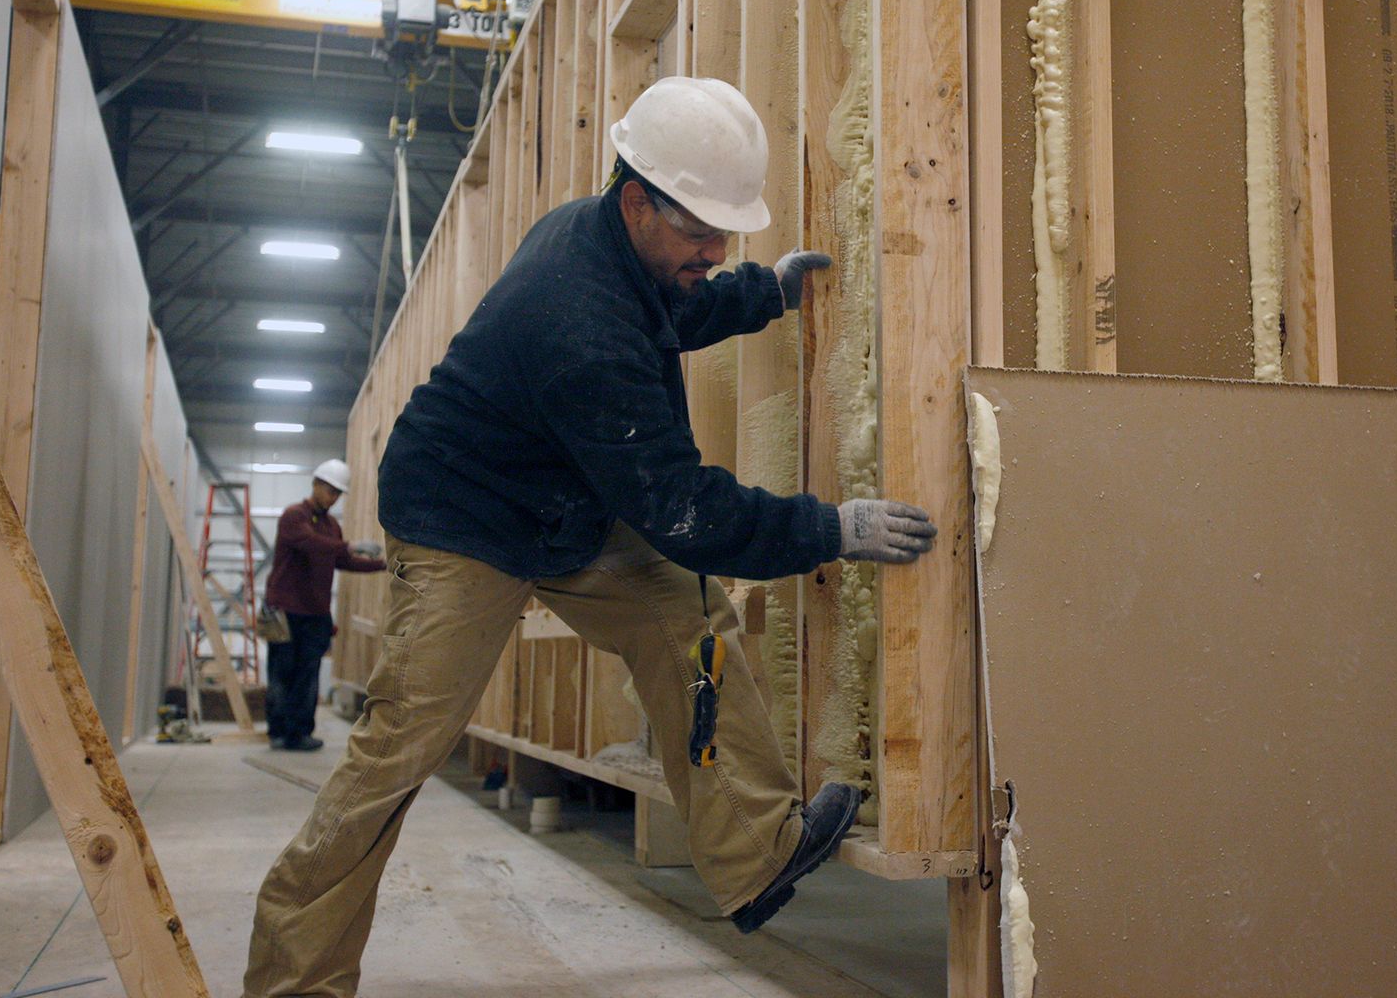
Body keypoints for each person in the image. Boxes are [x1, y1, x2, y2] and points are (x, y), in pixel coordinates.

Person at [243, 76, 937, 998]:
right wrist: (829, 528)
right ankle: (293, 984)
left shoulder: (616, 243)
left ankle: (755, 851)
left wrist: (754, 294)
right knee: (399, 749)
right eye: (700, 233)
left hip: (564, 498)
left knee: (686, 623)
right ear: (639, 198)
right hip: (465, 519)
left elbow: (670, 308)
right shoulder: (577, 320)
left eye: (724, 234)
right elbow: (685, 512)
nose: (715, 249)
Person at [261, 459, 386, 752]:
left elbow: (341, 560)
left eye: (337, 493)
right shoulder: (294, 517)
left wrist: (382, 565)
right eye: (330, 490)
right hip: (286, 610)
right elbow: (310, 543)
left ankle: (300, 733)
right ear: (315, 484)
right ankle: (278, 732)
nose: (333, 497)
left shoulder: (332, 526)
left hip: (316, 612)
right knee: (282, 673)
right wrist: (351, 545)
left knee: (308, 676)